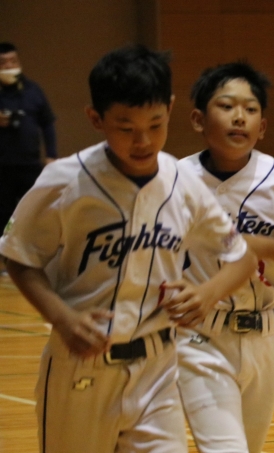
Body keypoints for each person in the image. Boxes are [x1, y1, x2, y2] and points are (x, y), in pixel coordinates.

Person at [0, 45, 257, 453]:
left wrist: (208, 293)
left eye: (155, 124)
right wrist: (62, 318)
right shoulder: (64, 181)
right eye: (125, 128)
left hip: (157, 371)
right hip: (81, 369)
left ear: (170, 108)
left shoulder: (184, 183)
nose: (143, 140)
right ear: (95, 119)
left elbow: (241, 257)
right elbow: (19, 258)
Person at [175, 61, 274, 452]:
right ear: (198, 120)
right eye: (226, 106)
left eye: (250, 109)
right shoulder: (175, 179)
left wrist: (261, 246)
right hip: (198, 336)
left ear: (262, 127)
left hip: (266, 337)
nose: (239, 117)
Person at [0, 42, 57, 276]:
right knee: (3, 214)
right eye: (3, 63)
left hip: (30, 165)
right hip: (2, 167)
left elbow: (48, 123)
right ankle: (4, 262)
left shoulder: (33, 90)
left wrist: (51, 155)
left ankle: (32, 260)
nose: (9, 66)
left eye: (13, 61)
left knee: (32, 214)